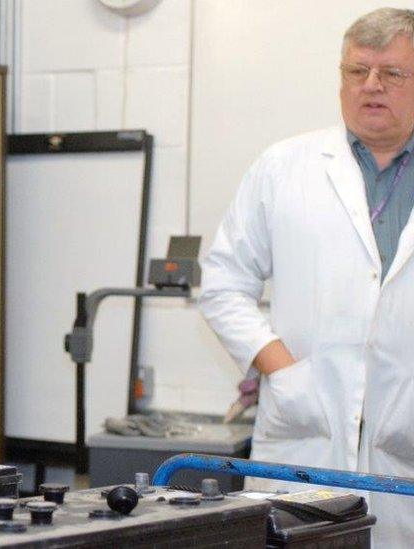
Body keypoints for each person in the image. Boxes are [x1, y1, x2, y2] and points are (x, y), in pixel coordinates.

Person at [200, 7, 414, 547]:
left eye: (392, 73)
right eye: (356, 71)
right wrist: (282, 368)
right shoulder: (284, 167)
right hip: (305, 433)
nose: (371, 86)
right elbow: (224, 281)